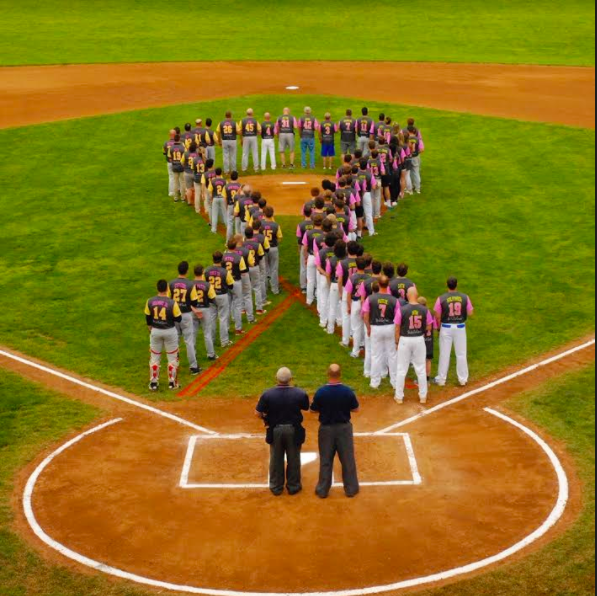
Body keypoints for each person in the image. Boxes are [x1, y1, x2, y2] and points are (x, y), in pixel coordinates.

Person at [256, 368, 310, 496]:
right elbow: (306, 407)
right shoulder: (300, 393)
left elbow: (257, 413)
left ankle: (276, 487)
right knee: (294, 458)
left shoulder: (267, 394)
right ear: (291, 379)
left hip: (275, 431)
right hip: (294, 430)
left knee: (276, 459)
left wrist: (265, 417)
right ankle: (293, 486)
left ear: (276, 378)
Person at [311, 365, 360, 499]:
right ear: (340, 374)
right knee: (347, 459)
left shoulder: (321, 392)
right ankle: (351, 489)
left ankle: (322, 490)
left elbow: (313, 410)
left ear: (328, 373)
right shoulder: (348, 391)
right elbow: (355, 409)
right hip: (344, 429)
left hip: (326, 430)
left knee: (326, 460)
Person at [395, 287, 434, 404]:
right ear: (416, 295)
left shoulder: (401, 310)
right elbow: (429, 326)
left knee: (401, 369)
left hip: (405, 340)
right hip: (419, 340)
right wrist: (421, 330)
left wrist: (397, 342)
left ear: (407, 295)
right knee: (421, 369)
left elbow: (397, 328)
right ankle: (423, 396)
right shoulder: (424, 310)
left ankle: (399, 397)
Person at [434, 277, 474, 387]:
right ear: (457, 285)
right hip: (460, 327)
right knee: (461, 354)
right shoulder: (465, 297)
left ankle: (441, 380)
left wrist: (438, 327)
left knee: (444, 354)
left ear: (447, 285)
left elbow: (437, 315)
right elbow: (470, 313)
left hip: (446, 327)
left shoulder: (441, 298)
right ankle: (462, 379)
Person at [145, 279, 183, 392]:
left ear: (157, 288)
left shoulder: (150, 301)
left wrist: (150, 326)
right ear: (167, 289)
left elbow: (147, 316)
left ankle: (153, 383)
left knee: (155, 357)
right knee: (172, 358)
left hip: (155, 331)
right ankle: (172, 383)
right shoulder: (172, 303)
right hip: (170, 331)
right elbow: (179, 318)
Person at [362, 277, 399, 390]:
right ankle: (395, 382)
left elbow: (365, 315)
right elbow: (398, 318)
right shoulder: (394, 300)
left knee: (376, 355)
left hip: (375, 327)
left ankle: (374, 382)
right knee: (392, 355)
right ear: (388, 285)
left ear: (378, 284)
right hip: (389, 327)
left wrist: (368, 328)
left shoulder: (370, 299)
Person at [168, 262, 202, 377]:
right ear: (187, 271)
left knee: (175, 341)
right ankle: (193, 367)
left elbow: (168, 300)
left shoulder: (171, 284)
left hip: (174, 315)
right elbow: (195, 302)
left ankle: (174, 365)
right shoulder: (190, 284)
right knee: (189, 341)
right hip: (186, 315)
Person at [205, 252, 235, 348]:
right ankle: (224, 341)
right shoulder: (225, 272)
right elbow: (231, 285)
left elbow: (204, 284)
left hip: (211, 297)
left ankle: (212, 341)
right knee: (223, 318)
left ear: (212, 259)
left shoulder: (206, 271)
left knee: (212, 319)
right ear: (221, 259)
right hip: (222, 296)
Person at [223, 239, 250, 336]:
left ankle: (226, 328)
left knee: (228, 305)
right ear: (235, 247)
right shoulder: (239, 257)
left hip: (226, 283)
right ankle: (238, 328)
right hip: (236, 282)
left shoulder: (222, 257)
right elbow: (243, 271)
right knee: (238, 305)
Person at [192, 265, 218, 361]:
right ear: (202, 273)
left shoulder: (190, 285)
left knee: (193, 333)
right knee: (207, 333)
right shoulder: (207, 285)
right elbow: (212, 299)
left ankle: (193, 355)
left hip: (193, 310)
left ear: (194, 273)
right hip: (205, 310)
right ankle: (211, 355)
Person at [345, 257, 370, 358]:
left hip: (356, 303)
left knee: (356, 328)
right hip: (366, 305)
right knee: (365, 326)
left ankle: (355, 351)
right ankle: (364, 345)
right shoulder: (369, 278)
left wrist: (349, 306)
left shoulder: (352, 278)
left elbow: (348, 294)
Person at [244, 227, 267, 315]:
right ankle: (259, 309)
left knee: (245, 290)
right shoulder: (257, 244)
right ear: (252, 234)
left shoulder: (242, 245)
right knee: (257, 287)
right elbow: (261, 256)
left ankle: (244, 309)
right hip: (254, 267)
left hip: (245, 269)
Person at [303, 214, 325, 306]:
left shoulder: (308, 233)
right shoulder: (324, 234)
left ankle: (309, 300)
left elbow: (305, 247)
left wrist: (306, 258)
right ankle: (318, 299)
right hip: (321, 259)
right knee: (319, 282)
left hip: (311, 257)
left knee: (310, 280)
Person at [261, 206, 283, 295]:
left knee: (264, 269)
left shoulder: (260, 225)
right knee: (274, 269)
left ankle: (265, 289)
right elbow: (280, 238)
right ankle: (275, 289)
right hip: (273, 248)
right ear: (272, 214)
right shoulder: (276, 225)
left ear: (264, 214)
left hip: (263, 249)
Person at [418, 296, 438, 381]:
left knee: (420, 360)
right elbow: (435, 327)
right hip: (429, 339)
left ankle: (420, 378)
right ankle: (427, 378)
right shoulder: (431, 313)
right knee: (428, 359)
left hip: (419, 339)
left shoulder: (416, 313)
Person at [356, 159, 377, 237]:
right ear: (366, 166)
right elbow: (374, 187)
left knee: (357, 213)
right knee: (368, 213)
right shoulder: (369, 174)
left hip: (357, 195)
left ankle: (357, 233)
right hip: (366, 194)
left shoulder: (356, 174)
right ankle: (371, 232)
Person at [297, 206, 315, 293]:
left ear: (304, 213)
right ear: (311, 213)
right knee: (314, 267)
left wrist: (299, 249)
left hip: (304, 248)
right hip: (313, 248)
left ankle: (303, 287)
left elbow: (299, 239)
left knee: (303, 267)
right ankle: (314, 286)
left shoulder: (300, 225)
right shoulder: (315, 223)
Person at [240, 108, 261, 173]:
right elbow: (260, 131)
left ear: (246, 113)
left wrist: (241, 139)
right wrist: (256, 134)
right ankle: (256, 168)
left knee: (245, 153)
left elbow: (240, 131)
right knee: (255, 153)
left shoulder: (242, 121)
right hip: (253, 137)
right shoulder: (255, 121)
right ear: (252, 113)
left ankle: (244, 168)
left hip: (245, 137)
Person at [208, 168, 228, 236]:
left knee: (214, 214)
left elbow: (210, 193)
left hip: (215, 199)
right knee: (225, 214)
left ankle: (213, 229)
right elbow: (227, 191)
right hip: (223, 198)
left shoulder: (212, 181)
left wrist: (211, 200)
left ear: (215, 173)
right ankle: (228, 228)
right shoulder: (225, 181)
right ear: (221, 173)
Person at [168, 134, 186, 203]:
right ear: (179, 139)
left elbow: (169, 158)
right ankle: (183, 198)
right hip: (181, 166)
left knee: (175, 182)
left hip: (174, 166)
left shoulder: (171, 148)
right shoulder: (183, 147)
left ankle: (175, 198)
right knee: (182, 182)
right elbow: (185, 158)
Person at [224, 173, 242, 241]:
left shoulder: (226, 186)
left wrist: (226, 207)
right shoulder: (240, 186)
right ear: (237, 177)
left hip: (230, 205)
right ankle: (238, 242)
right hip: (237, 207)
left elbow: (225, 198)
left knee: (230, 223)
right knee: (237, 224)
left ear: (230, 177)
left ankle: (228, 241)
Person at [163, 129, 177, 198]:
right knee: (178, 177)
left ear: (169, 135)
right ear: (175, 135)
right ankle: (178, 191)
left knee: (171, 177)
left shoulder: (165, 143)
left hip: (169, 162)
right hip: (177, 163)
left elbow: (164, 153)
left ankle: (171, 192)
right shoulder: (177, 143)